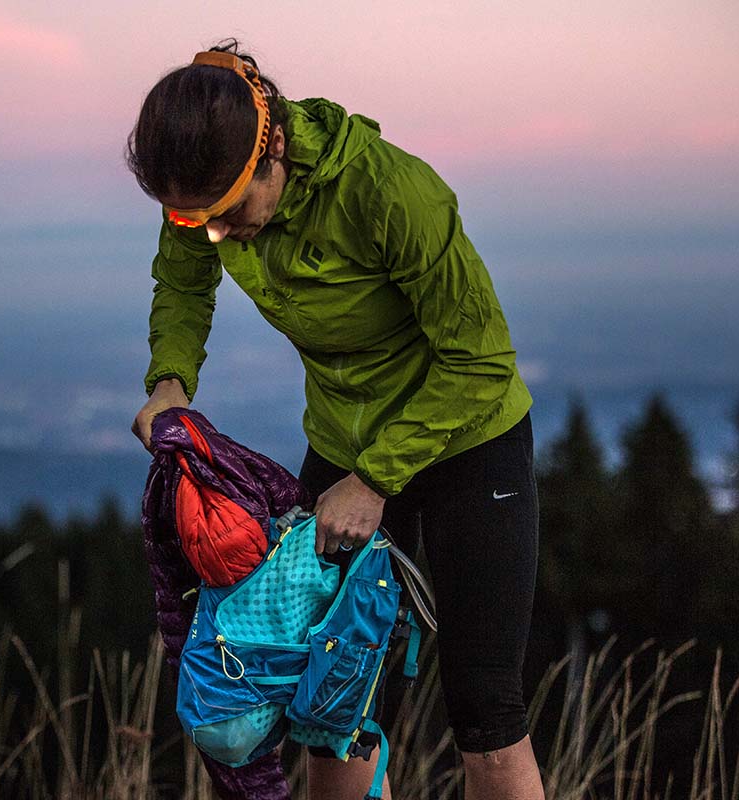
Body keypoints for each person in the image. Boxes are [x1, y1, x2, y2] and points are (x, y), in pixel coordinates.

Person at [128, 41, 544, 800]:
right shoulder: (202, 192)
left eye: (228, 216)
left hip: (468, 443)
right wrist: (170, 381)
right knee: (330, 704)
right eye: (199, 221)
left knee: (486, 707)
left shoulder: (392, 193)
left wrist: (377, 478)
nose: (217, 235)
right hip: (343, 444)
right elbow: (184, 284)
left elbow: (479, 360)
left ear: (274, 148)